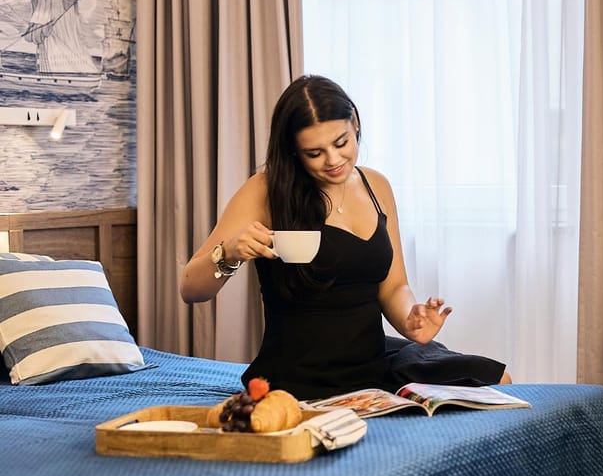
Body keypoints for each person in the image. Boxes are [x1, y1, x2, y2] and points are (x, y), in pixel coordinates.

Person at [180, 74, 510, 400]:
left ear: (355, 123)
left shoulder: (376, 185)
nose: (334, 160)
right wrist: (230, 253)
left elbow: (394, 286)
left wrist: (411, 320)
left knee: (499, 381)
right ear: (293, 150)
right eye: (314, 153)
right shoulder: (265, 191)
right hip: (302, 375)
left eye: (341, 143)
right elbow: (191, 289)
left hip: (374, 361)